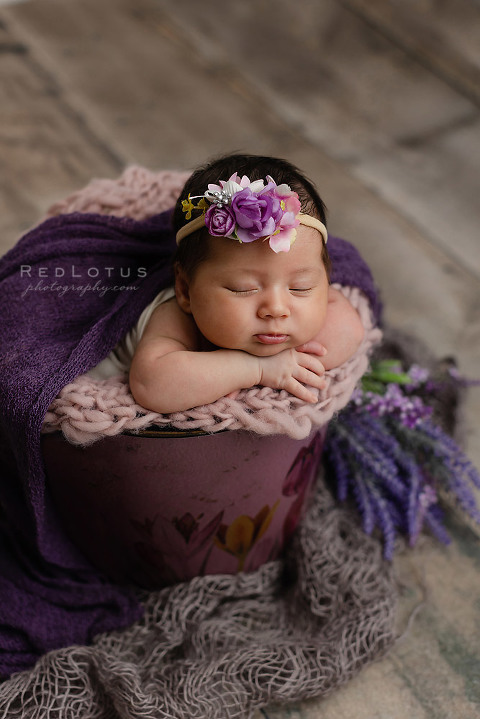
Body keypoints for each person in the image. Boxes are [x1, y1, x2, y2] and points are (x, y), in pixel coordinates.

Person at [92, 154, 365, 412]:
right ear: (186, 290)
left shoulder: (317, 295)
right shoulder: (173, 315)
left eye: (300, 287)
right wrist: (256, 369)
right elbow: (151, 385)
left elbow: (349, 330)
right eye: (243, 288)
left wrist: (287, 362)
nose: (277, 309)